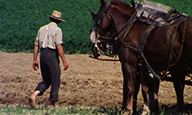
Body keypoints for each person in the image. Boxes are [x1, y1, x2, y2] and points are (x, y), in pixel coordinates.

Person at [29, 10, 68, 111]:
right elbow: (59, 46)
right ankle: (52, 106)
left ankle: (34, 94)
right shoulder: (57, 30)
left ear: (50, 18)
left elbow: (36, 45)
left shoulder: (41, 29)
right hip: (51, 55)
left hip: (43, 55)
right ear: (58, 21)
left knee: (46, 80)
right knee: (55, 79)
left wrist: (35, 59)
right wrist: (64, 61)